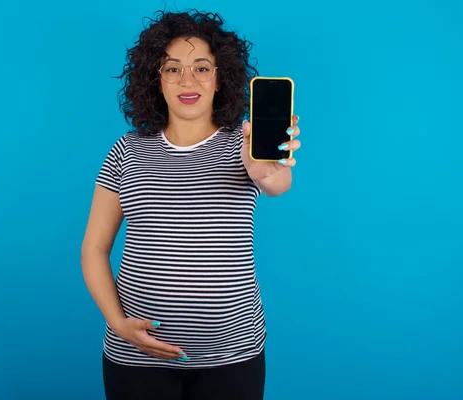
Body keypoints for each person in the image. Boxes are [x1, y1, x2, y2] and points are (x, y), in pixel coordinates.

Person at [81, 9, 301, 400]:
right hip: (136, 359)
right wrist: (117, 323)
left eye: (202, 68)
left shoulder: (244, 146)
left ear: (220, 80)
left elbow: (278, 183)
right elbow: (94, 249)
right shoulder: (126, 152)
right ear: (156, 80)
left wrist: (263, 169)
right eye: (172, 68)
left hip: (233, 358)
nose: (187, 80)